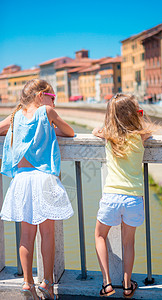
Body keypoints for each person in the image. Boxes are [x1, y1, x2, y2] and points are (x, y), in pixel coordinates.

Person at [0, 79, 75, 300]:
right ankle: (47, 283)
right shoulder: (47, 111)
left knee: (26, 236)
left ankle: (26, 282)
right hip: (43, 179)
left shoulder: (15, 116)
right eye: (52, 97)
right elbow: (69, 132)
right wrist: (52, 128)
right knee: (47, 234)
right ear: (41, 96)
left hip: (22, 180)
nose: (54, 102)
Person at [93, 93, 152, 298]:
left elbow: (95, 130)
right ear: (134, 114)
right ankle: (127, 285)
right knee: (129, 243)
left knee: (100, 235)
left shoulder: (109, 135)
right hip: (134, 198)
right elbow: (145, 128)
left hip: (111, 197)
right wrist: (139, 115)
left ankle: (107, 283)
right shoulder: (141, 136)